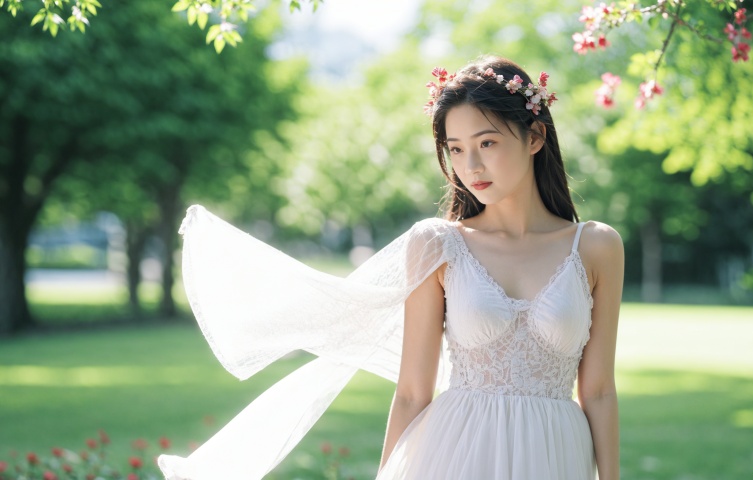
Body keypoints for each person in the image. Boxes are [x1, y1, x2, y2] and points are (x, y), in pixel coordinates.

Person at [157, 55, 622, 480]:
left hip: (557, 453)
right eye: (455, 149)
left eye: (487, 142)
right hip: (456, 454)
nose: (471, 165)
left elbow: (598, 390)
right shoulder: (438, 245)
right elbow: (412, 392)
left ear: (535, 136)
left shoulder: (596, 247)